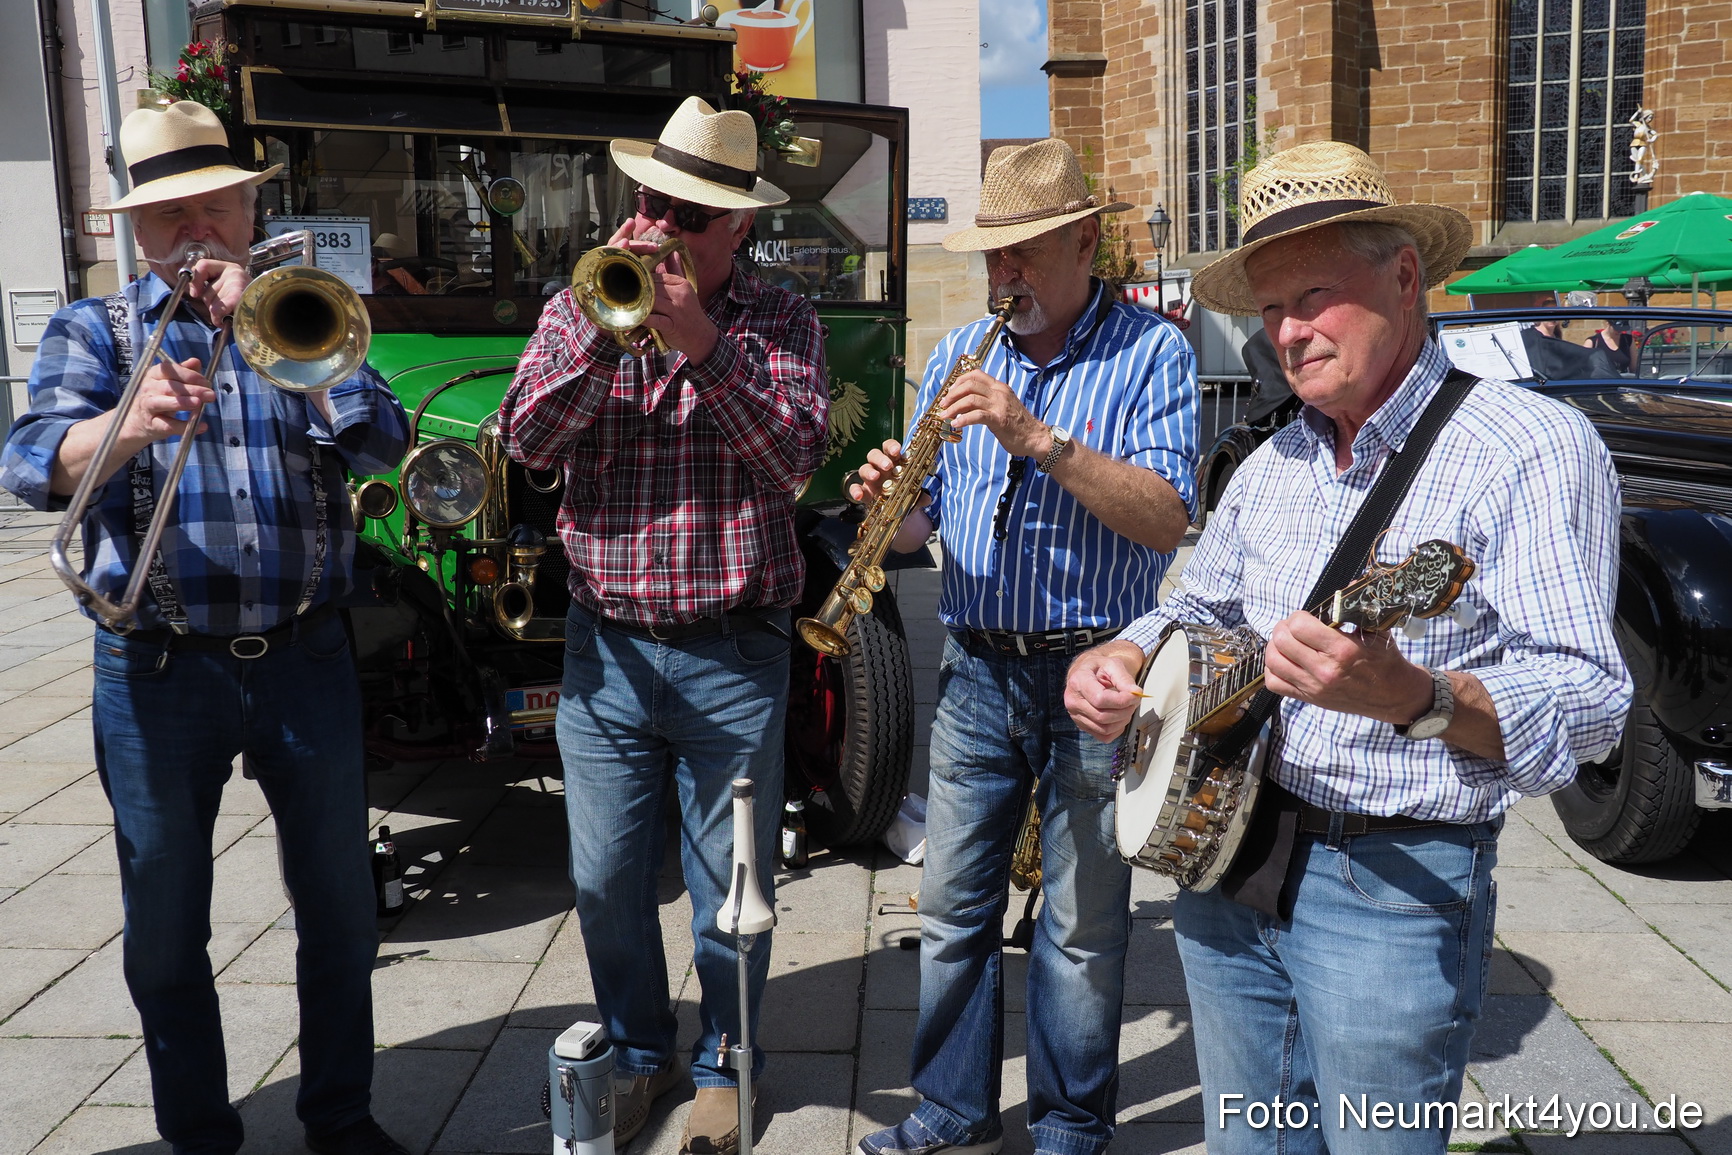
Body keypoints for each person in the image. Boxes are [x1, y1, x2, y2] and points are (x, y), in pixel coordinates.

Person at [1065, 141, 1630, 1155]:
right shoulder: (1273, 456)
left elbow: (1589, 698)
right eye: (1270, 308)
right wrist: (1121, 655)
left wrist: (1416, 696)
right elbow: (1201, 610)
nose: (1287, 330)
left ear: (1405, 275)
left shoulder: (1527, 448)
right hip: (1225, 853)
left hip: (1391, 882)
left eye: (1313, 296)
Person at [0, 101, 410, 1155]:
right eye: (171, 215)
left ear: (251, 206)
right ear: (136, 231)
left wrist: (310, 364)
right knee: (167, 920)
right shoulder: (96, 330)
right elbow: (27, 463)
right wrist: (120, 427)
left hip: (306, 656)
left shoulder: (303, 312)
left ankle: (342, 1116)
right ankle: (196, 1134)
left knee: (339, 909)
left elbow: (384, 444)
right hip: (155, 668)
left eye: (217, 207)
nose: (198, 234)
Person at [852, 138, 1199, 1155]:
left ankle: (1068, 1128)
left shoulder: (1154, 353)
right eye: (993, 259)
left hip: (1098, 672)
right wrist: (891, 503)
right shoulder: (958, 352)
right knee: (954, 914)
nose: (1003, 279)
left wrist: (1036, 437)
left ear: (1085, 242)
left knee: (1081, 933)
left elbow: (1168, 518)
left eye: (1025, 256)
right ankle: (953, 1111)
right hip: (975, 669)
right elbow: (920, 532)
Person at [499, 96, 827, 1155]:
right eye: (653, 201)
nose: (663, 226)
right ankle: (641, 1052)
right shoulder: (580, 304)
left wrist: (697, 341)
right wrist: (609, 334)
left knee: (733, 887)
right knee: (600, 881)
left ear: (738, 227)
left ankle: (727, 1060)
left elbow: (792, 461)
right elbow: (529, 443)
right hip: (607, 651)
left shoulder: (783, 321)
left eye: (689, 213)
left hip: (734, 649)